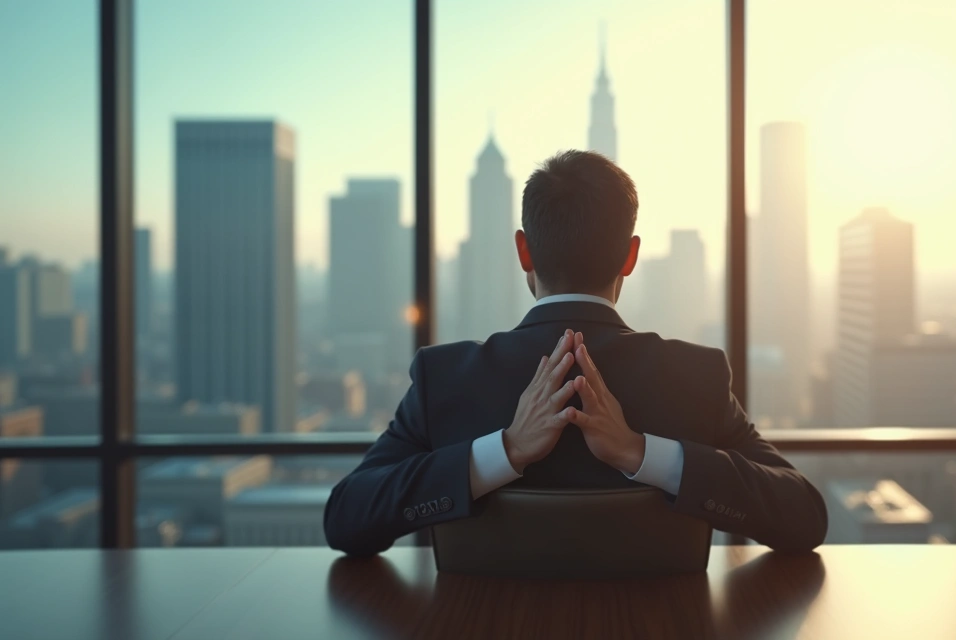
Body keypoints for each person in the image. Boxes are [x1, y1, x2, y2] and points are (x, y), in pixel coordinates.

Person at [323, 150, 829, 556]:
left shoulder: (446, 377)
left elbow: (346, 519)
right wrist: (647, 455)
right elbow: (804, 517)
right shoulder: (695, 376)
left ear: (524, 250)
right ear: (630, 256)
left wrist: (499, 454)